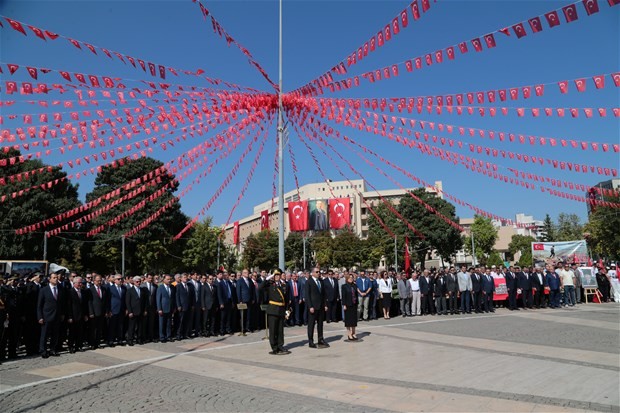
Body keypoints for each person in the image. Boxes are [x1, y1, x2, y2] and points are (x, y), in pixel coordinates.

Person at [259, 268, 290, 355]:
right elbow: (260, 288)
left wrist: (287, 309)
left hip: (281, 310)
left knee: (280, 330)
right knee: (273, 330)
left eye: (278, 275)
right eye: (275, 275)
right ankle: (274, 347)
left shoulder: (284, 285)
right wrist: (268, 278)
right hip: (273, 310)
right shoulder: (269, 284)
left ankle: (280, 346)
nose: (277, 276)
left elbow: (286, 299)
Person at [38, 272, 64, 358]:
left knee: (55, 334)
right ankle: (43, 350)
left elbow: (61, 303)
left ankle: (53, 349)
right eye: (54, 278)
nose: (56, 279)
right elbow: (39, 305)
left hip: (57, 316)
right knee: (44, 335)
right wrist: (40, 317)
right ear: (49, 279)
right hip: (46, 316)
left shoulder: (60, 289)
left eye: (57, 277)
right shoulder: (44, 290)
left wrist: (62, 314)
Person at [305, 267, 329, 348]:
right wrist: (310, 306)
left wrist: (325, 304)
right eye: (317, 272)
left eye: (319, 272)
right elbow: (307, 295)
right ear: (312, 273)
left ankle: (320, 339)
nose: (319, 273)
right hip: (313, 307)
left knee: (320, 324)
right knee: (311, 325)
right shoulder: (309, 282)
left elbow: (324, 294)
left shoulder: (321, 282)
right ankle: (311, 341)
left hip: (321, 306)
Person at [67, 276, 88, 353]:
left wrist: (85, 314)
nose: (80, 284)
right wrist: (69, 317)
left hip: (81, 316)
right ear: (74, 283)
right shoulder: (70, 292)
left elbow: (84, 305)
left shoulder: (83, 292)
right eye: (79, 283)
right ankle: (71, 347)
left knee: (80, 332)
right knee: (72, 333)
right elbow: (69, 305)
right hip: (73, 316)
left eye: (81, 283)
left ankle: (79, 346)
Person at [125, 276, 147, 346]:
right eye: (137, 281)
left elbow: (144, 301)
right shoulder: (130, 290)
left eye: (140, 281)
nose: (138, 283)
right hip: (133, 312)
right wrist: (130, 311)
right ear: (134, 282)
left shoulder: (142, 290)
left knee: (140, 326)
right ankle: (130, 339)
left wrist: (145, 310)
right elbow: (127, 302)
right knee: (132, 327)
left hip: (141, 311)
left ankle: (139, 339)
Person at [156, 274, 175, 343]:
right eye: (167, 279)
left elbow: (173, 298)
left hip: (170, 308)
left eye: (170, 279)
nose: (169, 281)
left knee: (169, 323)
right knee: (162, 323)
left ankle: (168, 336)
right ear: (164, 280)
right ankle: (162, 337)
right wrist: (159, 309)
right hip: (162, 308)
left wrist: (173, 308)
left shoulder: (172, 287)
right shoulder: (160, 287)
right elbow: (158, 299)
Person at [341, 273, 358, 341]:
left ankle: (353, 332)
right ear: (347, 279)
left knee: (354, 319)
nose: (351, 279)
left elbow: (356, 294)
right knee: (348, 320)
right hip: (348, 304)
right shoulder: (344, 286)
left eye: (352, 277)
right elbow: (343, 296)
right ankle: (349, 334)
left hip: (354, 304)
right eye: (350, 278)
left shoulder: (354, 285)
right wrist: (344, 305)